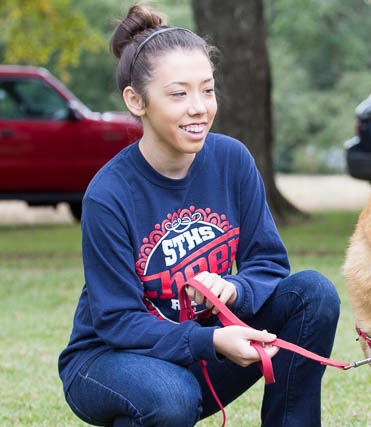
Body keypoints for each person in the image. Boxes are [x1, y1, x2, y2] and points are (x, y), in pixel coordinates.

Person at [58, 4, 341, 426]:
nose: (199, 107)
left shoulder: (232, 160)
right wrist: (211, 340)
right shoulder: (109, 194)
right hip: (108, 360)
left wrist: (233, 289)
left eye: (207, 90)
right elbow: (118, 322)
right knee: (171, 396)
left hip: (200, 349)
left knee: (312, 294)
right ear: (137, 101)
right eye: (178, 94)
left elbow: (268, 263)